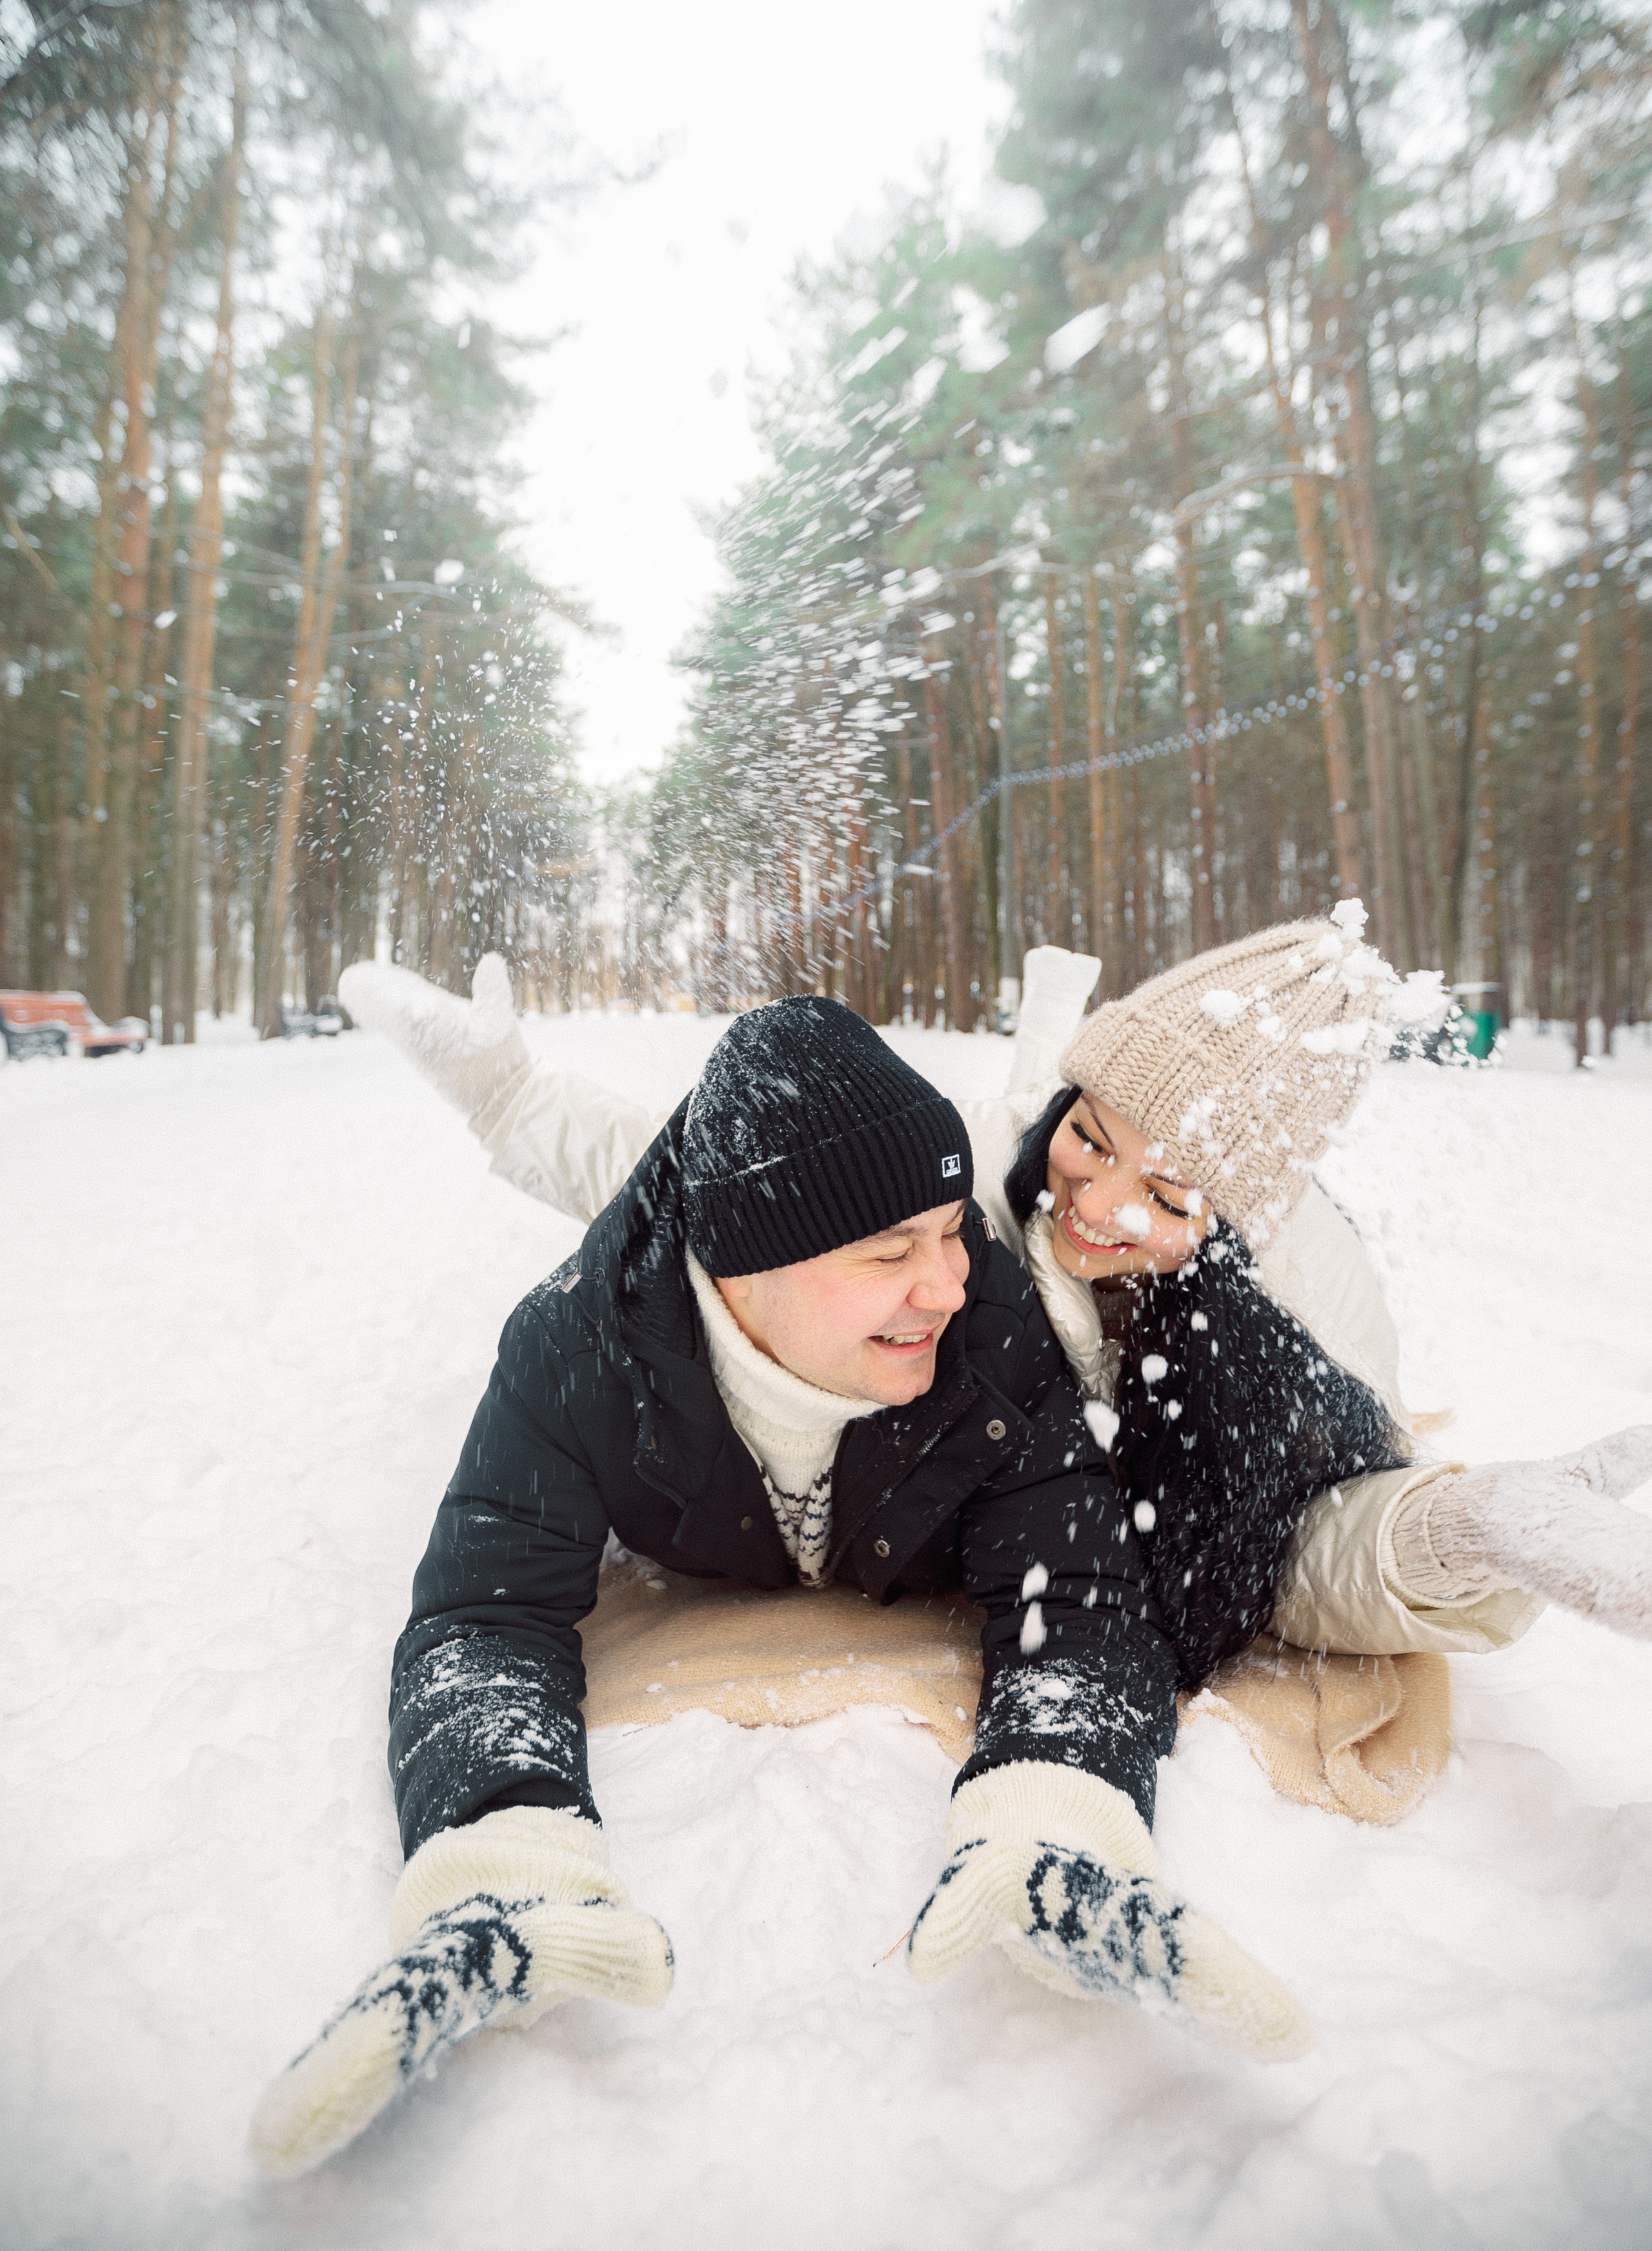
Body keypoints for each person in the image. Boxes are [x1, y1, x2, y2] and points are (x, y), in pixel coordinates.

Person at [252, 997, 1310, 2183]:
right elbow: (487, 1614)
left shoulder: (994, 1324)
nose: (947, 1284)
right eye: (889, 1253)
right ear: (742, 1270)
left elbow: (1076, 1595)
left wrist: (1064, 1803)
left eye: (953, 1231)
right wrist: (502, 1844)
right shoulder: (573, 1354)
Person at [335, 919, 1652, 1674]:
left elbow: (1295, 1548)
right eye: (1092, 1135)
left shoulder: (1309, 1320)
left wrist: (1462, 1531)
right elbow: (716, 1194)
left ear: (1235, 1225)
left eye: (1170, 1195)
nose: (1095, 1202)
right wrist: (506, 1097)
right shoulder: (974, 1161)